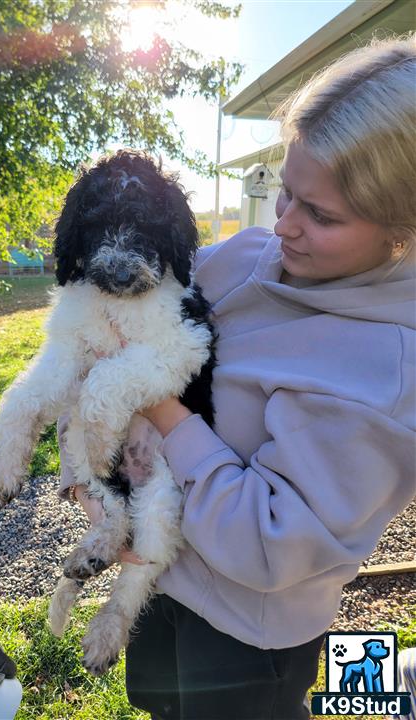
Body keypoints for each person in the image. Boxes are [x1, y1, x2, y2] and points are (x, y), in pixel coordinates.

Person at [58, 34, 416, 719]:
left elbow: (269, 543)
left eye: (321, 214)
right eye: (286, 192)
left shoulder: (389, 369)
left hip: (249, 629)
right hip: (168, 574)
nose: (282, 226)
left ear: (403, 225)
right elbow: (133, 321)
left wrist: (161, 408)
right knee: (160, 705)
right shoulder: (253, 255)